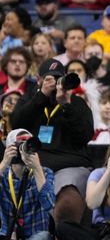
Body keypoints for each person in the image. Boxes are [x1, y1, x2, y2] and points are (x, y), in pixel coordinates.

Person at [10, 59, 94, 230]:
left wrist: (66, 105)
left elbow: (84, 136)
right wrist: (41, 96)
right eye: (49, 78)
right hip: (33, 164)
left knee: (69, 200)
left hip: (68, 166)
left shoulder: (76, 103)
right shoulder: (29, 99)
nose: (54, 83)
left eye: (58, 78)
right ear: (38, 79)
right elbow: (17, 123)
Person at [0, 129, 55, 240]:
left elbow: (49, 204)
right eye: (21, 145)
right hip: (5, 237)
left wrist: (37, 169)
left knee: (44, 239)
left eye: (29, 144)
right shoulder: (3, 172)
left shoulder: (45, 172)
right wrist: (4, 162)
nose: (26, 149)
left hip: (34, 239)